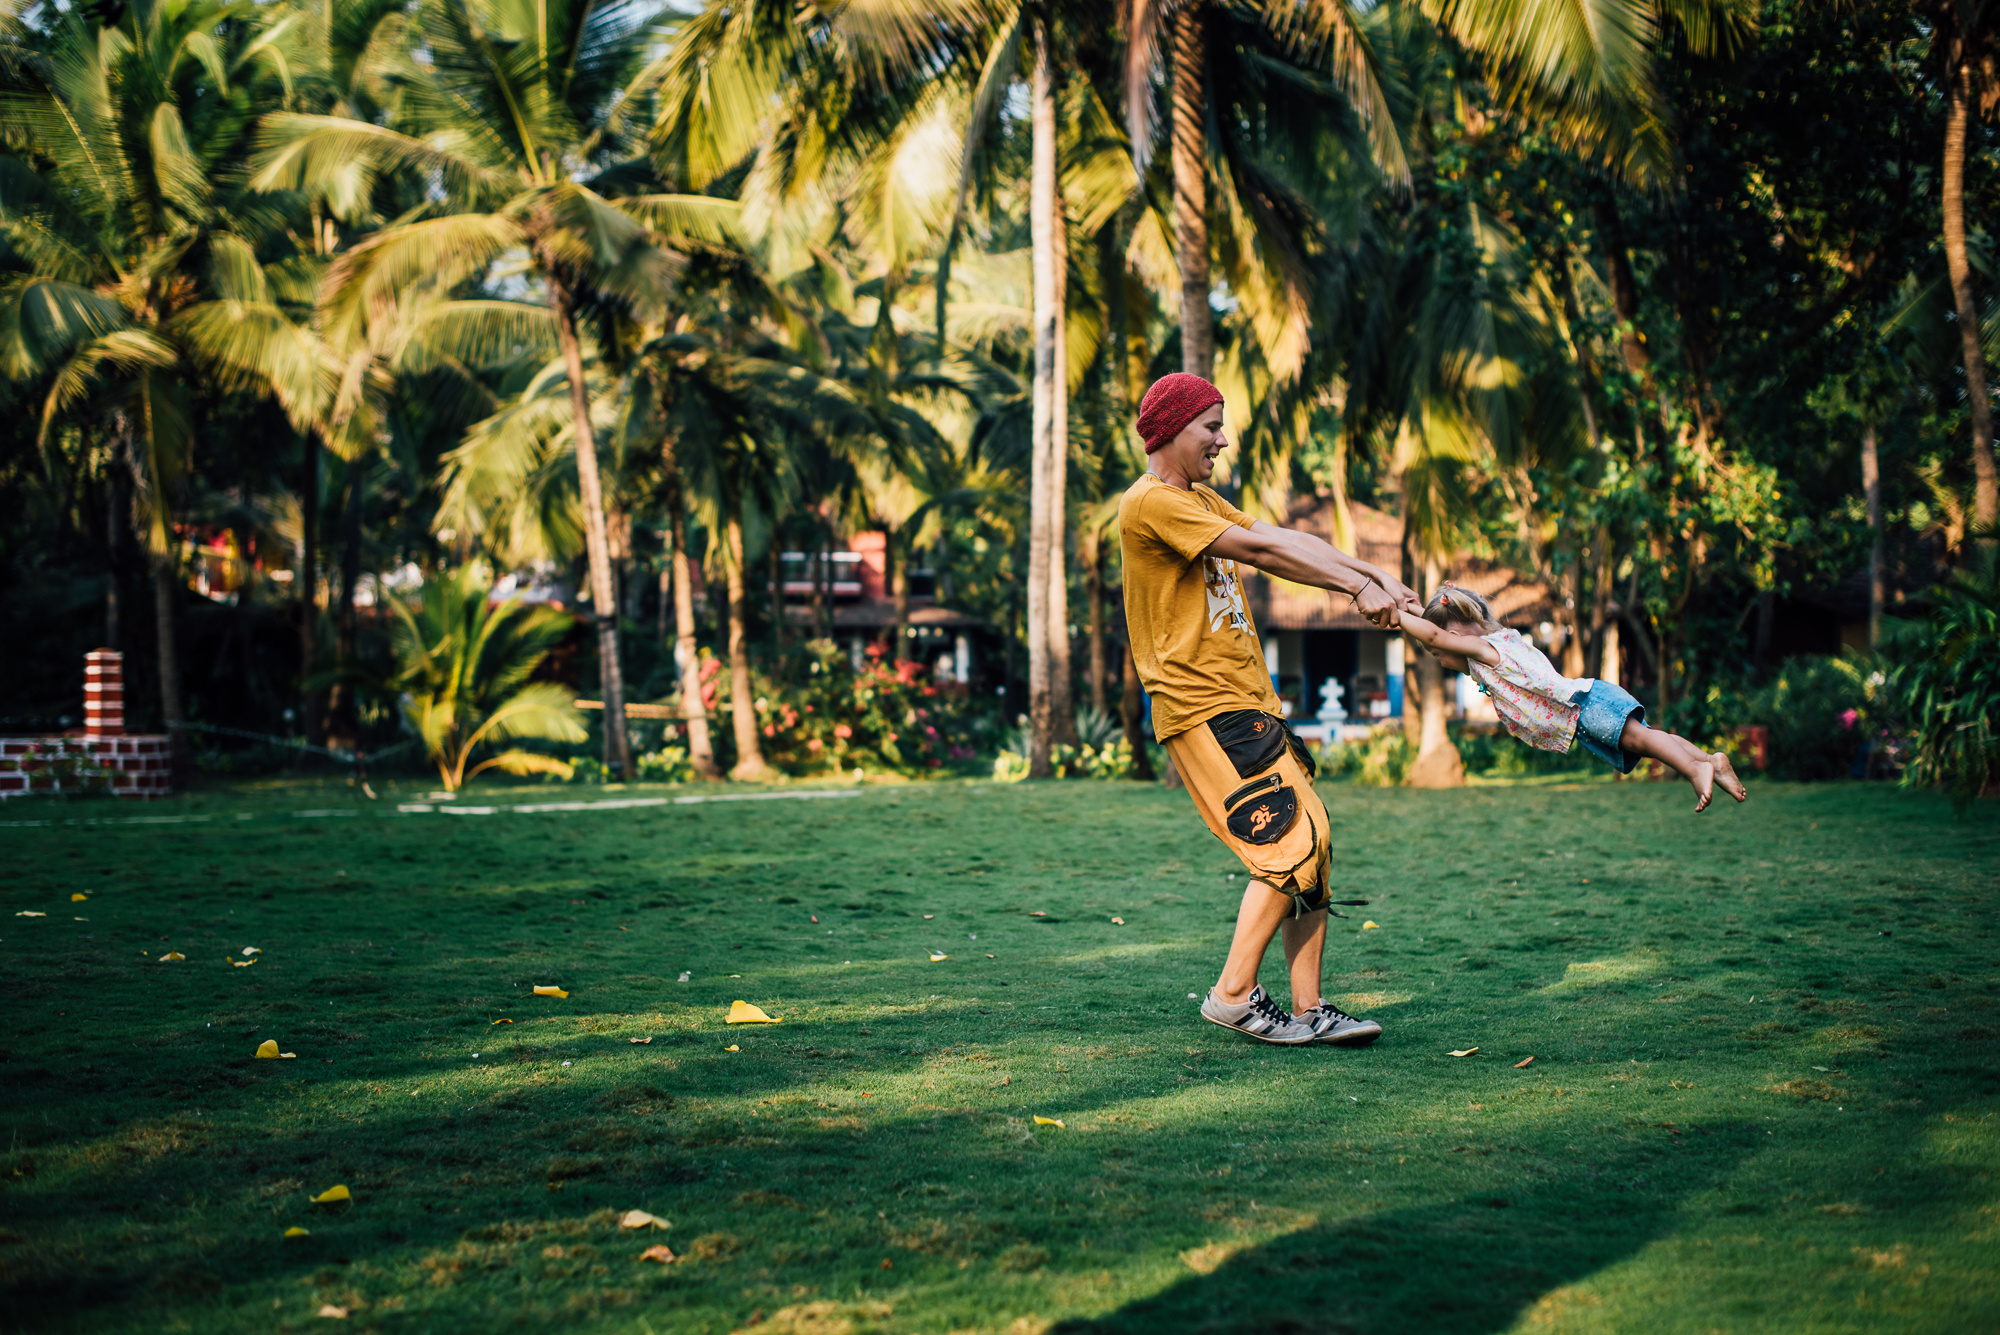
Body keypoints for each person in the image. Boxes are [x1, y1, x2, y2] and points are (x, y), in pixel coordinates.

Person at [1119, 372, 1419, 1047]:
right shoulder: (1150, 505)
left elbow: (1282, 535)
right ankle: (1232, 995)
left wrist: (1375, 576)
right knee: (1290, 845)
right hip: (1204, 707)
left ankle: (1309, 1008)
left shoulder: (1194, 497)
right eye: (1211, 426)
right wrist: (1352, 586)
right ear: (1169, 429)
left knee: (1314, 851)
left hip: (1245, 703)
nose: (1222, 440)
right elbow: (1260, 551)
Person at [1397, 583, 1749, 811]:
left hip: (1585, 705)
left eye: (1438, 651)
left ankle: (1694, 770)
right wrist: (1406, 608)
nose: (1440, 659)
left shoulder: (1485, 648)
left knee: (1644, 738)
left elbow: (1435, 636)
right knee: (1648, 740)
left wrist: (1397, 615)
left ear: (1455, 634)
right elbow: (1436, 632)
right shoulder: (1487, 651)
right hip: (1583, 713)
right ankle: (1711, 761)